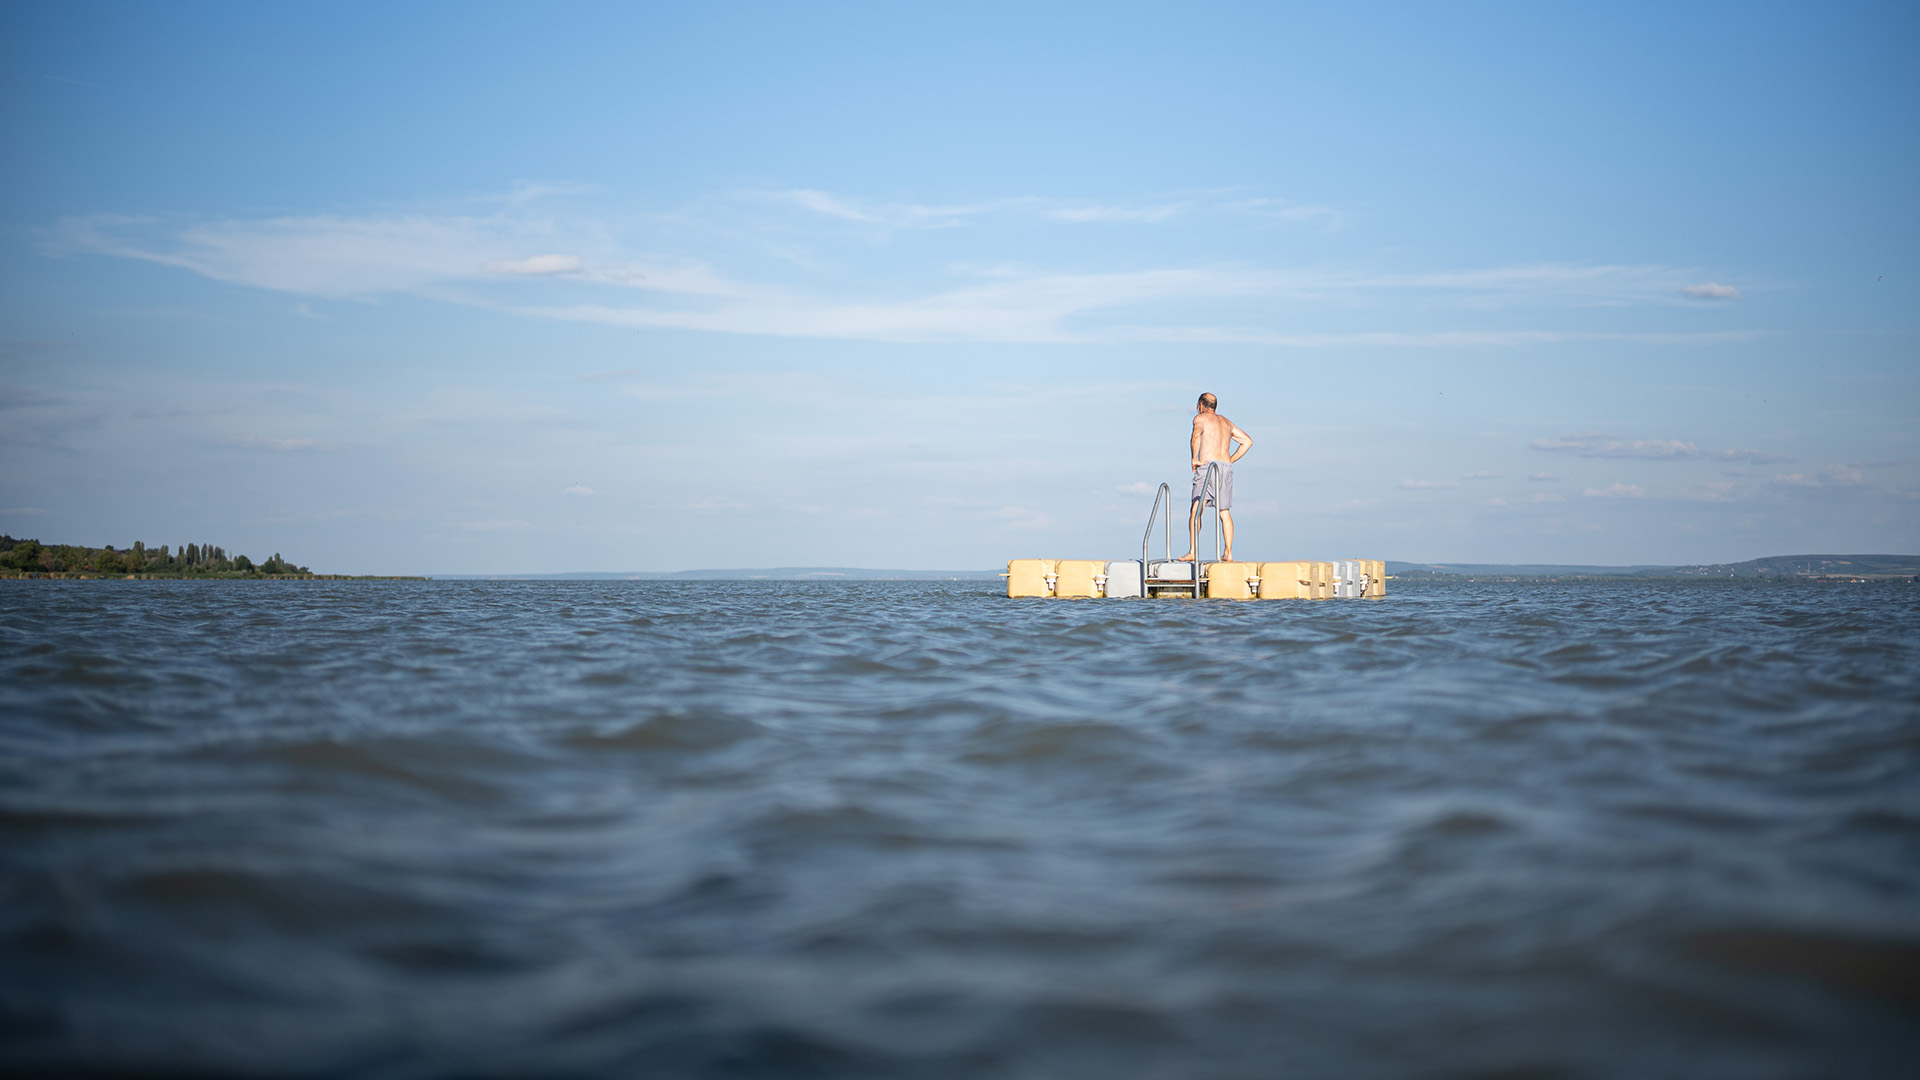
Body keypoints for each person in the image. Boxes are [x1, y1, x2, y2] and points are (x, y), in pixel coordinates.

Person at [1176, 392, 1252, 562]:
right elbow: (1247, 442)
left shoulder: (1200, 419)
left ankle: (1193, 551)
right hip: (1225, 467)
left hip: (1207, 466)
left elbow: (1195, 436)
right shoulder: (1226, 422)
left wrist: (1194, 459)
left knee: (1196, 509)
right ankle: (1228, 552)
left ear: (1200, 405)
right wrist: (1230, 460)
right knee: (1224, 511)